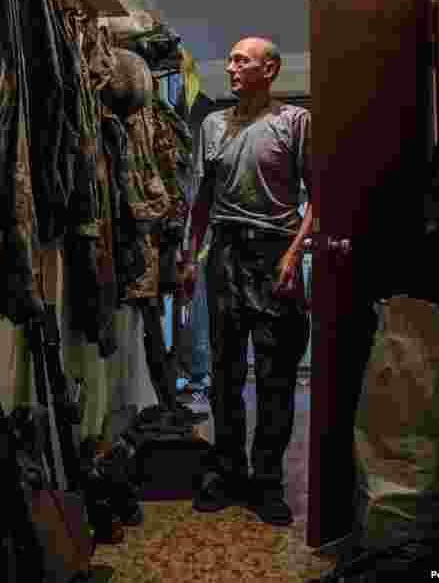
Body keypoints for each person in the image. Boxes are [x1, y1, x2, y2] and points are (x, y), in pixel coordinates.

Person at [186, 36, 312, 526]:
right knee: (224, 374)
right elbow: (201, 200)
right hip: (224, 253)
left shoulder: (294, 122)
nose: (232, 67)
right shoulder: (214, 124)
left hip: (273, 252)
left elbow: (320, 198)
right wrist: (186, 258)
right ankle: (228, 471)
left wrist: (293, 255)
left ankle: (267, 482)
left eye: (242, 60)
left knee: (276, 377)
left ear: (271, 68)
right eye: (231, 59)